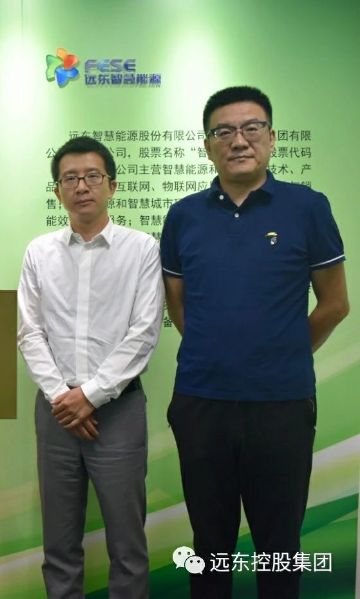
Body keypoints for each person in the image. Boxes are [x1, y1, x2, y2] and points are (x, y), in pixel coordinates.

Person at [160, 85, 350, 599]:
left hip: (281, 404)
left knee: (278, 545)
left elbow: (335, 303)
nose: (238, 140)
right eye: (224, 131)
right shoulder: (184, 215)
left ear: (272, 137)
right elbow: (179, 305)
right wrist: (219, 351)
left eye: (251, 128)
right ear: (207, 146)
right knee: (210, 546)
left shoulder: (307, 207)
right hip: (202, 402)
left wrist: (283, 350)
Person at [17, 136, 164, 598]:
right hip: (57, 410)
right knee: (59, 542)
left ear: (112, 186)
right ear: (57, 191)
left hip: (118, 410)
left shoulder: (142, 249)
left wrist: (91, 395)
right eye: (70, 178)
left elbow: (144, 332)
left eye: (92, 176)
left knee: (127, 542)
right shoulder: (39, 252)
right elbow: (29, 332)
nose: (82, 186)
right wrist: (64, 397)